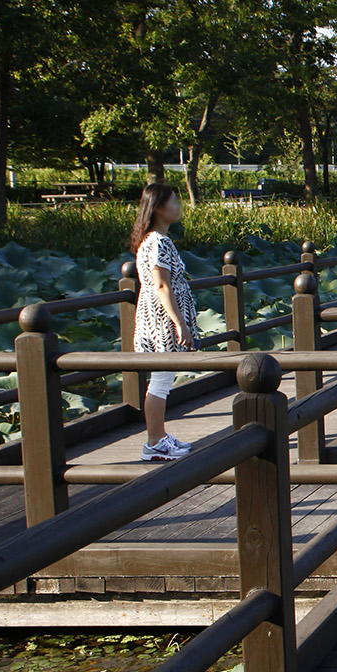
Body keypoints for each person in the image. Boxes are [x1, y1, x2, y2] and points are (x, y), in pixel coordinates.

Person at [131, 181, 198, 462]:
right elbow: (162, 286)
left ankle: (158, 437)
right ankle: (154, 442)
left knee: (161, 380)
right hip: (162, 321)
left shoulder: (149, 240)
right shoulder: (159, 242)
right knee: (160, 381)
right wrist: (179, 323)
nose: (178, 206)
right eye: (173, 201)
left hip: (155, 316)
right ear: (158, 207)